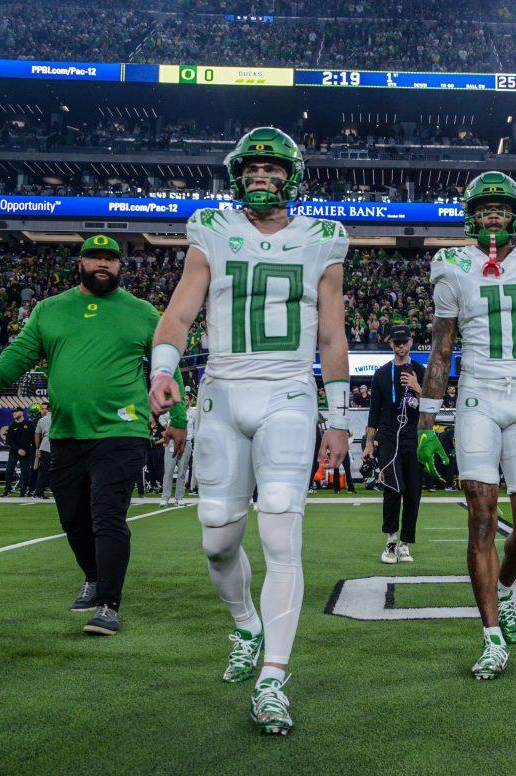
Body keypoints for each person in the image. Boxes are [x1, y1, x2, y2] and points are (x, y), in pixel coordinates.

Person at [148, 127, 352, 735]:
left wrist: (338, 417)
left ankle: (273, 677)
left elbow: (333, 334)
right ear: (238, 173)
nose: (261, 177)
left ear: (291, 175)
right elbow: (182, 311)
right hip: (221, 389)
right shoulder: (210, 227)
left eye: (272, 169)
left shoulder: (323, 238)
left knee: (283, 531)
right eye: (252, 168)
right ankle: (245, 622)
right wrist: (163, 371)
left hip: (289, 391)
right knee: (217, 539)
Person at [0, 235, 188, 638]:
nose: (103, 264)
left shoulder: (142, 312)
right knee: (72, 518)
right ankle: (92, 576)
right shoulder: (50, 310)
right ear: (81, 263)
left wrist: (176, 418)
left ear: (121, 267)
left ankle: (108, 604)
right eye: (95, 258)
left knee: (107, 515)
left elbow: (167, 365)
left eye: (110, 258)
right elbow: (22, 350)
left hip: (122, 429)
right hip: (67, 432)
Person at [415, 171, 516, 681]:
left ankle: (504, 588)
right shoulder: (453, 264)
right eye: (484, 207)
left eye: (500, 207)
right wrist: (426, 422)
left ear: (514, 214)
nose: (492, 215)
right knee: (481, 516)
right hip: (478, 400)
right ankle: (489, 636)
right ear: (471, 214)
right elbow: (442, 350)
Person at [364, 324, 426, 564]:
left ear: (411, 342)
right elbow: (373, 413)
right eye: (396, 343)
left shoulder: (421, 370)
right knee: (392, 489)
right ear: (390, 344)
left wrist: (417, 388)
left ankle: (405, 543)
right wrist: (370, 443)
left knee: (413, 492)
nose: (401, 346)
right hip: (389, 438)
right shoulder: (381, 374)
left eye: (404, 342)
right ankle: (390, 539)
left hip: (413, 437)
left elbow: (432, 405)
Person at [159, 395, 198, 507]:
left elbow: (196, 427)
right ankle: (165, 498)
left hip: (186, 442)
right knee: (169, 470)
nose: (184, 401)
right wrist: (169, 430)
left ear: (191, 401)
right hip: (171, 442)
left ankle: (179, 498)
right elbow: (161, 418)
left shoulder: (194, 412)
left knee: (182, 470)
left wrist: (191, 438)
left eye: (187, 399)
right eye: (183, 399)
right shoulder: (173, 408)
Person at [1, 408, 35, 497]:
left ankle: (23, 491)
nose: (14, 414)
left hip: (26, 453)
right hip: (14, 452)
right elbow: (9, 441)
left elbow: (33, 438)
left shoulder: (29, 424)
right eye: (13, 412)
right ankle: (7, 490)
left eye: (16, 412)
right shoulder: (12, 425)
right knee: (9, 470)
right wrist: (18, 449)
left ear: (21, 412)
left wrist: (29, 450)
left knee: (25, 472)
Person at [32, 402, 53, 498]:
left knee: (43, 471)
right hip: (57, 446)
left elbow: (36, 435)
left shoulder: (41, 420)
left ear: (48, 409)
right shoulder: (58, 418)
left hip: (44, 446)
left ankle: (38, 492)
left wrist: (37, 448)